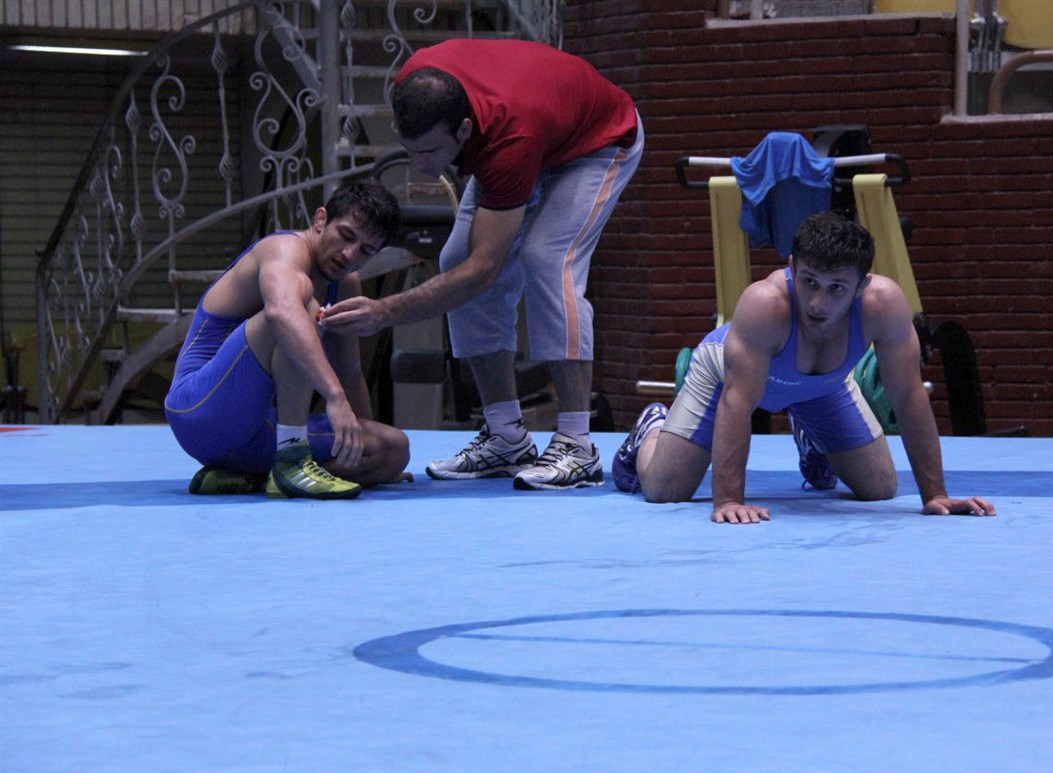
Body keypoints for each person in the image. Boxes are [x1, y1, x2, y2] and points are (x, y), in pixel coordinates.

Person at [320, 39, 644, 491]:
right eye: (409, 149)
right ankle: (505, 435)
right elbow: (468, 266)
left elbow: (484, 270)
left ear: (464, 129)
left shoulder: (511, 139)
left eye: (430, 152)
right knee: (454, 258)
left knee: (547, 260)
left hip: (597, 141)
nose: (419, 166)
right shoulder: (414, 83)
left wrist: (384, 311)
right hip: (533, 127)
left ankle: (577, 444)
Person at [611, 212, 996, 523]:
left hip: (823, 386)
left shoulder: (885, 305)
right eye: (809, 282)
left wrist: (935, 495)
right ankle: (652, 428)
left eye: (836, 288)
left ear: (862, 285)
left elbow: (909, 396)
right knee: (665, 490)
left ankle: (811, 437)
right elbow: (737, 402)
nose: (817, 303)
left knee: (878, 488)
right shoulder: (764, 303)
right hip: (724, 376)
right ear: (792, 266)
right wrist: (728, 500)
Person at [165, 180, 411, 500]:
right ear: (320, 220)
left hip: (259, 431)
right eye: (346, 235)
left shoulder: (345, 283)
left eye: (366, 250)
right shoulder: (284, 250)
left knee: (393, 450)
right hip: (200, 410)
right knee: (302, 306)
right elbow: (282, 313)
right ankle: (292, 461)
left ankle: (248, 477)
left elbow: (349, 371)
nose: (349, 254)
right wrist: (334, 397)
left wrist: (360, 445)